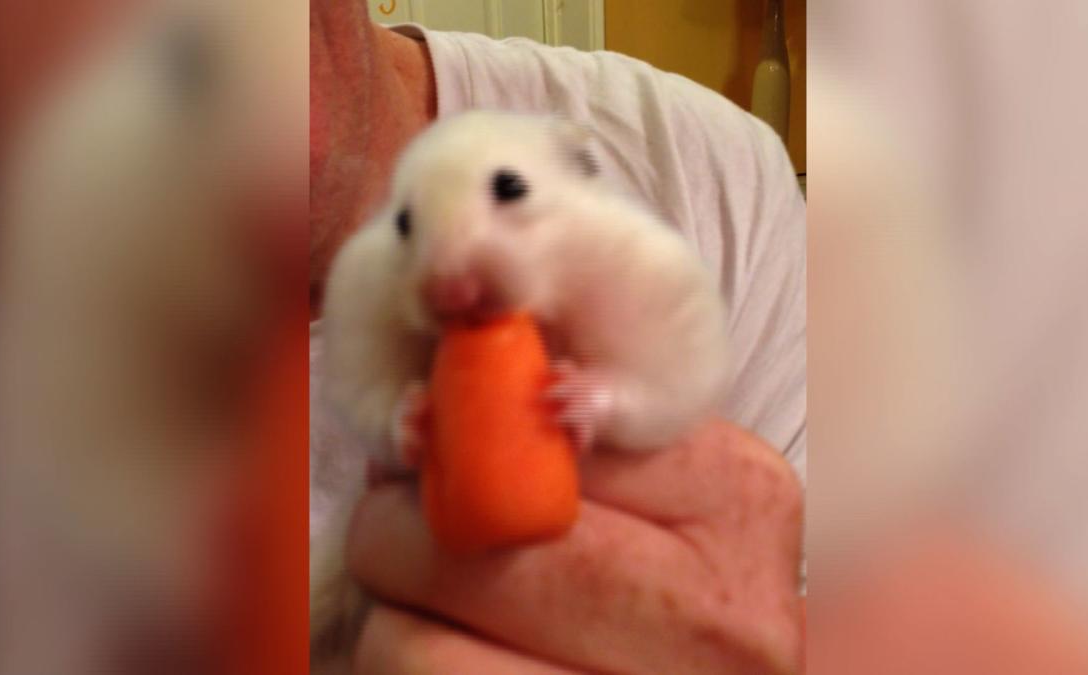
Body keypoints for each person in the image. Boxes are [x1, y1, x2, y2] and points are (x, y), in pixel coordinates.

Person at [309, 0, 806, 672]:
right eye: (409, 227)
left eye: (509, 194)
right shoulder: (376, 301)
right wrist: (408, 426)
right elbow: (372, 404)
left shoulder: (696, 185)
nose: (457, 281)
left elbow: (682, 377)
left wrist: (609, 402)